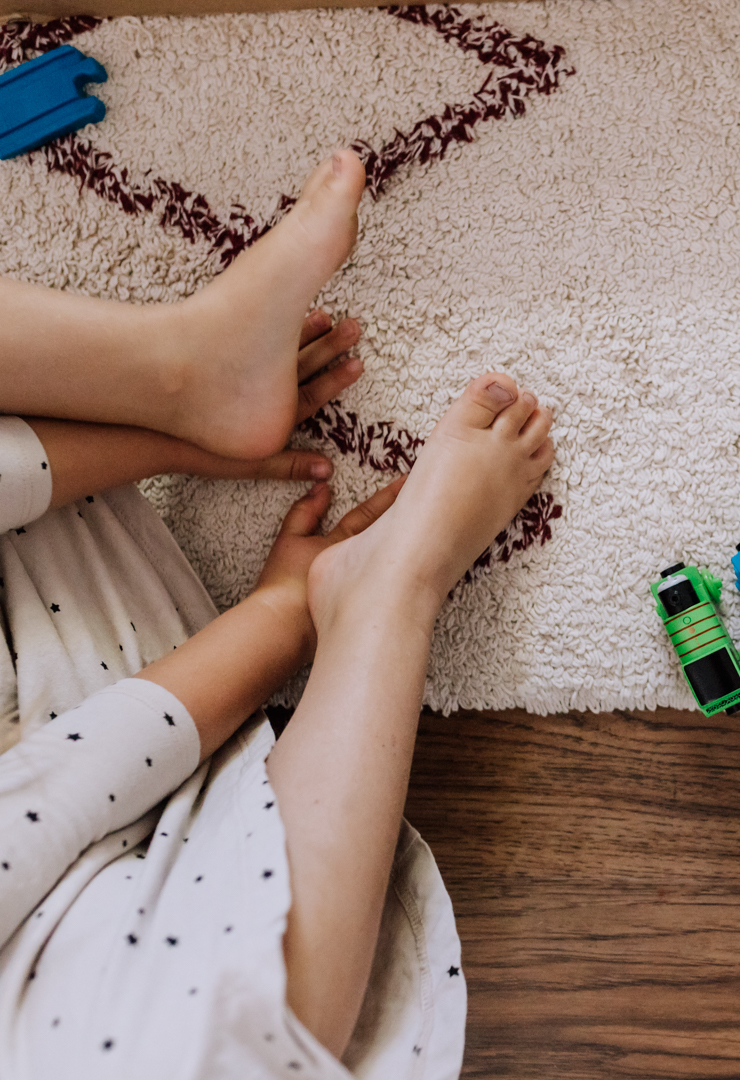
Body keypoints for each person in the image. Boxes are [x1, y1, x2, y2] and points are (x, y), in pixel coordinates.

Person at [0, 147, 555, 1077]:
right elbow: (51, 797)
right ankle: (386, 592)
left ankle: (182, 379)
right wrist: (279, 615)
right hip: (98, 897)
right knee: (221, 1036)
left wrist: (176, 446)